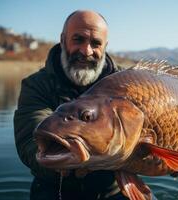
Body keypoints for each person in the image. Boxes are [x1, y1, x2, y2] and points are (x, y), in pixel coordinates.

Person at [14, 10, 127, 200]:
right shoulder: (36, 85)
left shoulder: (126, 86)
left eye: (96, 43)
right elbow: (31, 139)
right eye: (78, 39)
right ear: (63, 39)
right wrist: (60, 160)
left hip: (114, 189)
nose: (86, 51)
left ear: (105, 47)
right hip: (54, 188)